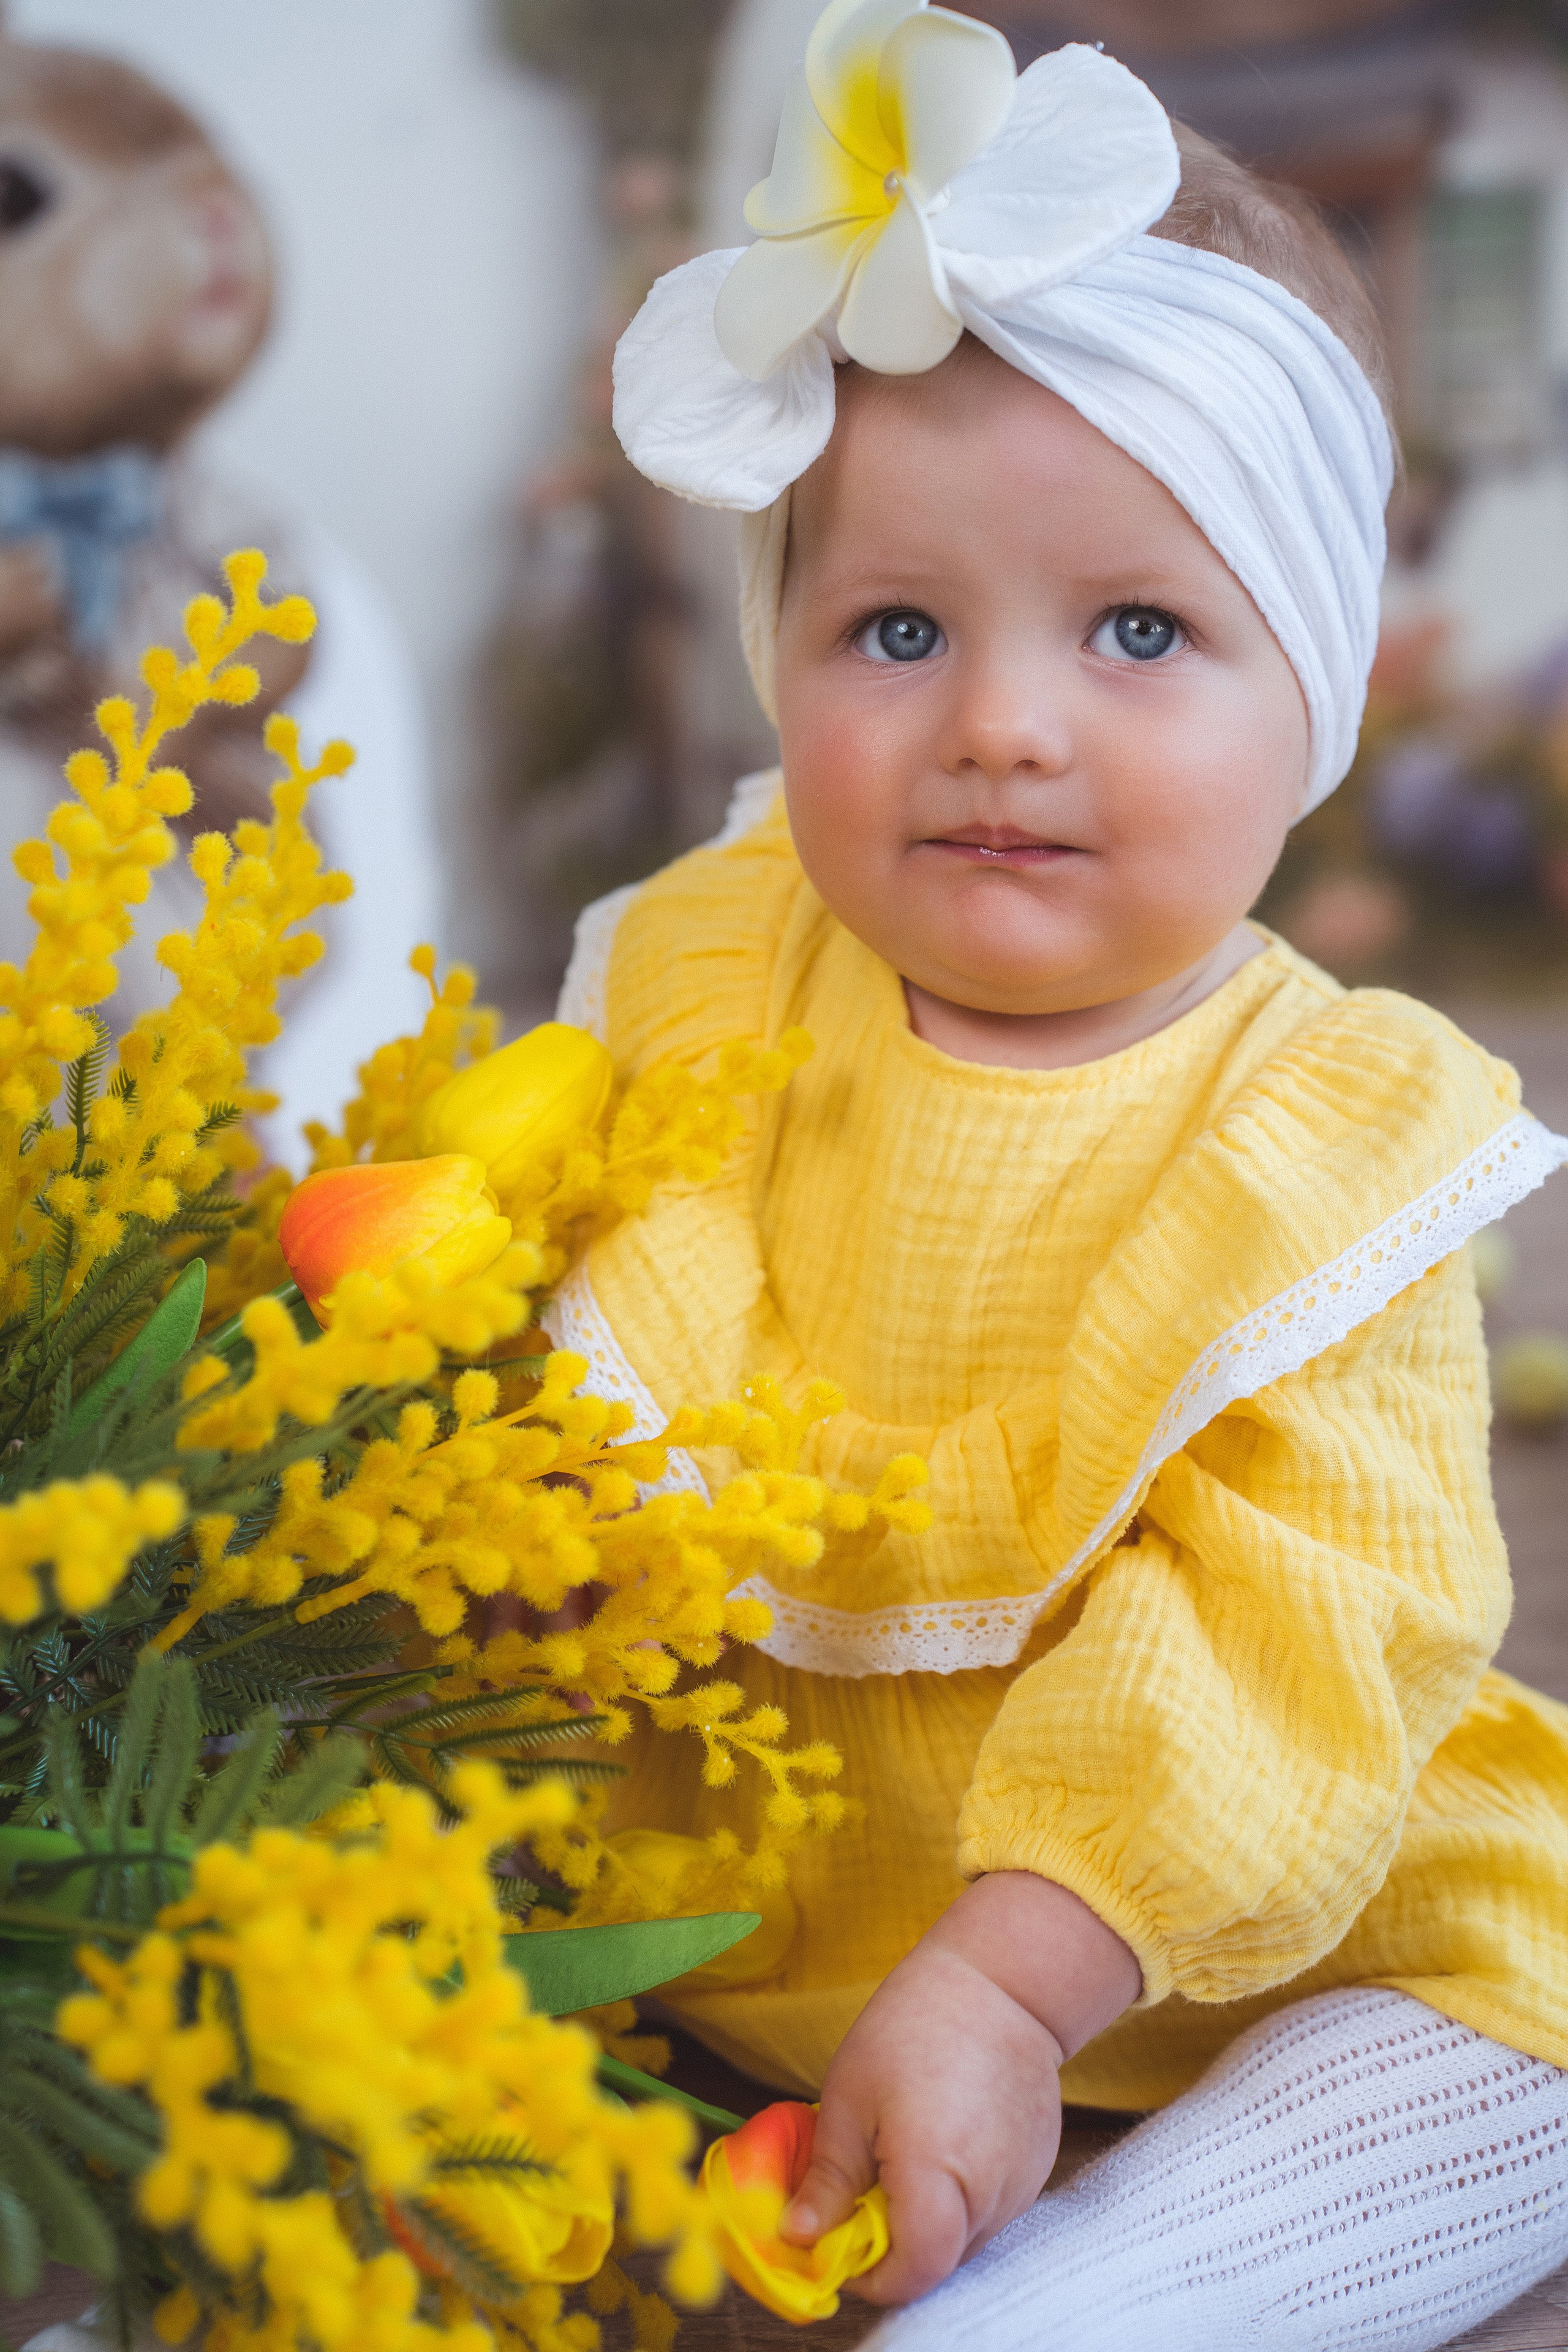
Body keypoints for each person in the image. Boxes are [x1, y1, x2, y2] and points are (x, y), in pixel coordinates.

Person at [552, 9, 1568, 2344]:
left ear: (1313, 696)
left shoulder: (1322, 1151)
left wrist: (1016, 1983)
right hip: (764, 1920)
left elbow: (1302, 1641)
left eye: (1139, 630)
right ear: (781, 653)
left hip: (1266, 1936)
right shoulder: (711, 977)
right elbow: (558, 1312)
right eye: (897, 628)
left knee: (1495, 2065)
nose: (1003, 724)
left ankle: (1086, 2298)